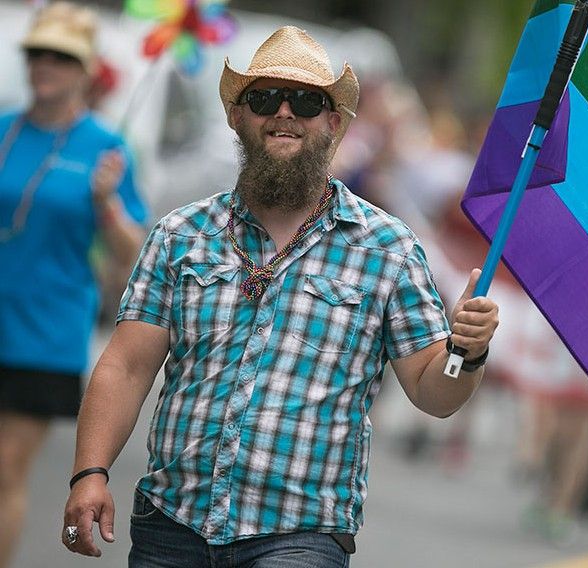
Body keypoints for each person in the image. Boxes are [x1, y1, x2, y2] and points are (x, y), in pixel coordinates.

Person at [61, 26, 499, 567]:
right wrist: (90, 472)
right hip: (171, 523)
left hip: (302, 535)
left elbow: (436, 394)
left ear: (334, 124)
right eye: (265, 98)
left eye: (308, 102)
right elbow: (126, 366)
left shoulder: (388, 248)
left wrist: (467, 350)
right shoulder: (180, 235)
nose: (285, 112)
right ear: (237, 116)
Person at [0, 3, 148, 567]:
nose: (46, 65)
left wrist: (107, 203)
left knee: (7, 469)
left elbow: (134, 253)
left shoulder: (106, 150)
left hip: (44, 330)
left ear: (87, 69)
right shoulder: (3, 129)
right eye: (38, 52)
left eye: (62, 56)